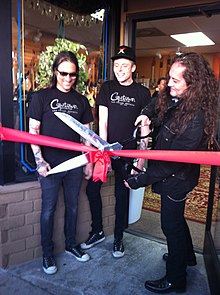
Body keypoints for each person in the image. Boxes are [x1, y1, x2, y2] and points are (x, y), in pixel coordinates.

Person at [124, 52, 218, 293]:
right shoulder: (174, 95)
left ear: (192, 84)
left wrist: (139, 180)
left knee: (170, 225)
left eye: (176, 80)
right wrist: (145, 113)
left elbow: (170, 164)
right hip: (172, 174)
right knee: (176, 219)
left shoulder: (196, 118)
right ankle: (187, 256)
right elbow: (156, 101)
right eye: (170, 78)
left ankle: (176, 278)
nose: (170, 84)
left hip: (177, 179)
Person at [80, 45, 151, 258]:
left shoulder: (142, 93)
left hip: (128, 154)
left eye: (124, 65)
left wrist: (140, 161)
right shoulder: (107, 88)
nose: (119, 69)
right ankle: (98, 230)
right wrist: (104, 151)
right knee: (92, 190)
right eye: (117, 65)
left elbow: (144, 129)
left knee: (122, 195)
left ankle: (119, 237)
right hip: (106, 151)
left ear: (133, 67)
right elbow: (102, 122)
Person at [27, 51, 94, 275]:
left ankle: (71, 244)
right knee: (48, 210)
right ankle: (47, 254)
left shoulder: (81, 101)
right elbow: (33, 132)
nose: (68, 78)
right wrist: (40, 161)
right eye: (63, 73)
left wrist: (89, 162)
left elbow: (87, 135)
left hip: (75, 164)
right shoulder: (41, 97)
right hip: (50, 165)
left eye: (72, 75)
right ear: (55, 71)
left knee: (73, 206)